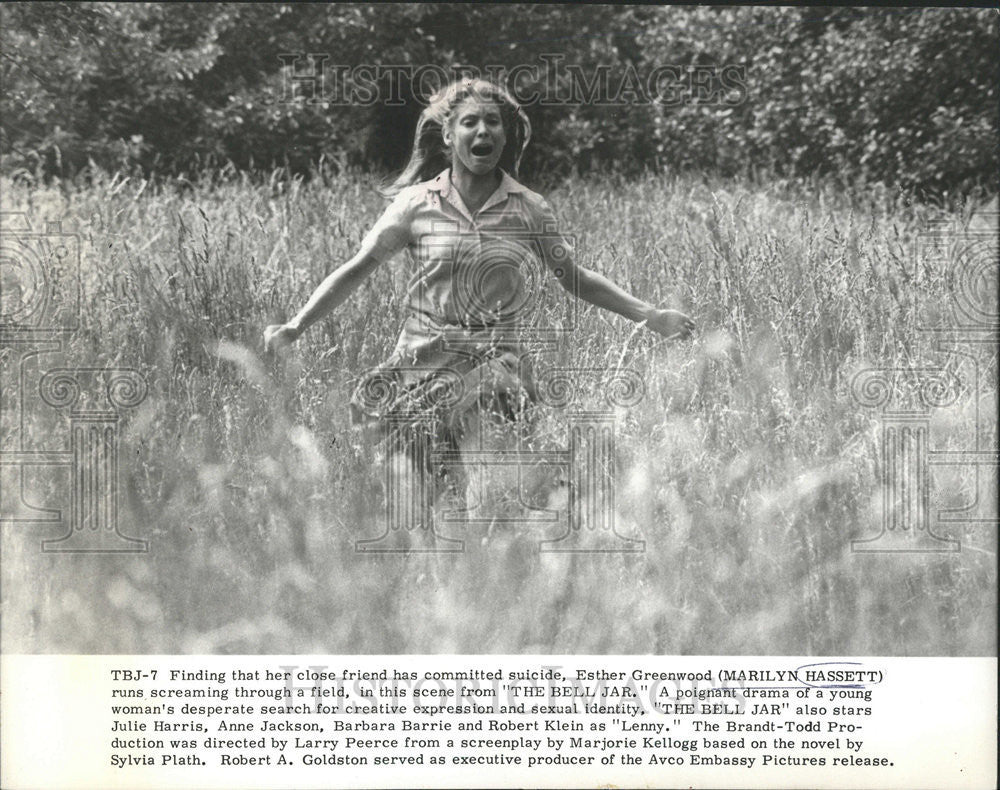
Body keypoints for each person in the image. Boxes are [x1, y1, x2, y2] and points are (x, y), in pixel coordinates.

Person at [264, 78, 694, 542]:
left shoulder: (528, 208)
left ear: (505, 136)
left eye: (493, 122)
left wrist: (650, 316)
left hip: (496, 369)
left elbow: (575, 277)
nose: (482, 131)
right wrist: (296, 325)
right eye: (470, 122)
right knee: (419, 505)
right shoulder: (415, 206)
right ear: (448, 135)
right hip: (419, 367)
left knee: (483, 493)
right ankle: (434, 584)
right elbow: (358, 267)